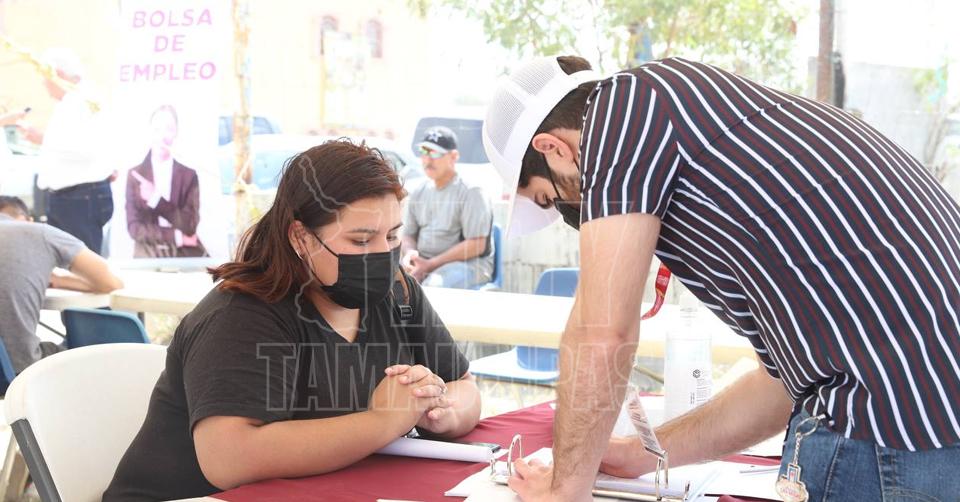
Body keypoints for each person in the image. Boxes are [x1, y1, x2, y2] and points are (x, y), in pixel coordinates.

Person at [482, 55, 960, 500]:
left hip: (892, 427)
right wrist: (644, 452)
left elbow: (602, 331)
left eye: (552, 198)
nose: (573, 213)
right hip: (929, 413)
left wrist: (564, 489)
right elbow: (782, 386)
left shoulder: (621, 111)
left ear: (553, 148)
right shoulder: (697, 117)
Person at [105, 140, 481, 501]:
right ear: (301, 238)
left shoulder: (398, 294)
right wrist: (384, 421)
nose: (384, 254)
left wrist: (441, 410)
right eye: (361, 241)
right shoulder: (241, 314)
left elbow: (465, 387)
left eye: (393, 235)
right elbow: (228, 458)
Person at [0, 196, 123, 373]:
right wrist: (60, 281)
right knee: (87, 357)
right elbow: (110, 282)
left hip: (6, 370)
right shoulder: (39, 233)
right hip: (19, 370)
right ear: (26, 220)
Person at [18, 48, 114, 255]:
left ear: (56, 74)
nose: (44, 85)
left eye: (44, 78)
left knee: (83, 265)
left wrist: (43, 138)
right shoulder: (73, 101)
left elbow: (86, 148)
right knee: (65, 263)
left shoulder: (85, 101)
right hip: (70, 197)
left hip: (80, 198)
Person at [401, 126, 494, 289]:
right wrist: (411, 254)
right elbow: (408, 235)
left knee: (433, 287)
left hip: (468, 264)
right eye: (424, 151)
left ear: (453, 157)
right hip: (424, 263)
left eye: (435, 153)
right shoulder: (418, 191)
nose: (428, 159)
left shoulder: (471, 191)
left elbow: (477, 245)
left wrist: (430, 264)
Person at [125, 104, 207, 258]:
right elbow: (134, 228)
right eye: (157, 129)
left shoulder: (189, 175)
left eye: (169, 129)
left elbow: (190, 225)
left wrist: (156, 199)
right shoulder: (135, 175)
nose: (162, 136)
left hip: (183, 254)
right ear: (149, 132)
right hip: (148, 252)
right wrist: (177, 237)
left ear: (176, 132)